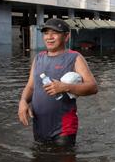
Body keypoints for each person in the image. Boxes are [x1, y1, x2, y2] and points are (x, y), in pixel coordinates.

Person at [18, 19, 98, 147]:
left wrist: (65, 87)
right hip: (40, 124)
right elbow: (31, 86)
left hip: (64, 127)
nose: (49, 37)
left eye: (55, 33)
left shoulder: (75, 57)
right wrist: (23, 101)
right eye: (46, 33)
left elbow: (93, 87)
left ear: (66, 36)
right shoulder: (38, 58)